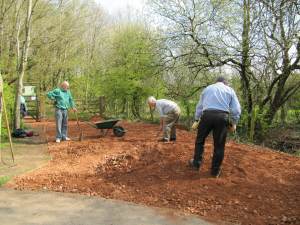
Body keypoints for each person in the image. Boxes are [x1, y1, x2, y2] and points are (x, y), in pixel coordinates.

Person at [189, 76, 241, 178]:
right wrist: (234, 122)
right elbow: (236, 110)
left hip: (207, 115)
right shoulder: (230, 90)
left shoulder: (207, 89)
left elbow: (199, 106)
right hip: (222, 117)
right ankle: (215, 171)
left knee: (200, 140)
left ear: (216, 82)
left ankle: (196, 163)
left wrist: (196, 119)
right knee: (219, 145)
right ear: (225, 83)